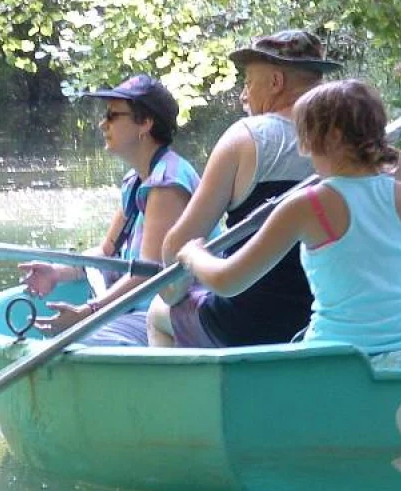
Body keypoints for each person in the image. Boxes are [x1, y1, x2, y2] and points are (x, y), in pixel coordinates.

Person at [174, 79, 401, 368]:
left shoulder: (307, 205)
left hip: (338, 361)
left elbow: (229, 282)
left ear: (328, 138)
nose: (303, 148)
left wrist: (194, 255)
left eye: (303, 137)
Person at [146, 29, 342, 348]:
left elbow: (179, 247)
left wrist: (176, 288)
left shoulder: (246, 136)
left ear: (276, 82)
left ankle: (184, 398)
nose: (243, 94)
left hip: (248, 322)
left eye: (249, 82)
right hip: (326, 320)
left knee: (159, 313)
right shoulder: (351, 144)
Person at [19, 73, 201, 346]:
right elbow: (106, 252)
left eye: (113, 116)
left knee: (73, 344)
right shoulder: (137, 179)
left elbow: (148, 274)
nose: (103, 123)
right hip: (139, 311)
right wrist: (57, 272)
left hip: (171, 316)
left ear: (146, 123)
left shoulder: (168, 183)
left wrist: (90, 311)